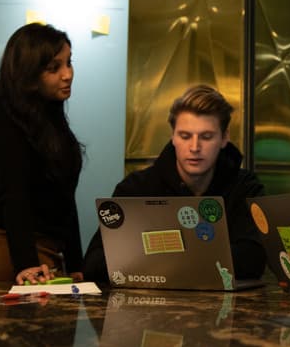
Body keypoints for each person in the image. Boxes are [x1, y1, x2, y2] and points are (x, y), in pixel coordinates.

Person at [83, 84, 266, 283]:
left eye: (206, 137)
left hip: (225, 309)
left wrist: (156, 255)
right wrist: (199, 256)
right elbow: (94, 264)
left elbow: (253, 260)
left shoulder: (245, 187)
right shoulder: (135, 189)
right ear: (173, 137)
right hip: (146, 309)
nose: (194, 147)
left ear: (224, 138)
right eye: (185, 136)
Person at [0, 23, 85, 285]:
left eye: (69, 63)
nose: (68, 74)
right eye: (54, 68)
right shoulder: (4, 115)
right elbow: (14, 194)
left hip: (44, 250)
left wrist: (76, 262)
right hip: (3, 248)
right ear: (29, 74)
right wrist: (26, 264)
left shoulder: (51, 116)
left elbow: (65, 197)